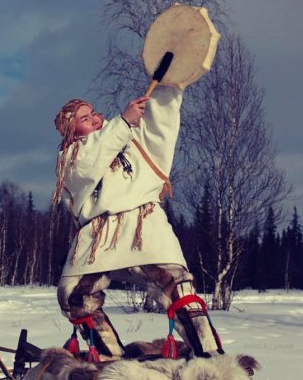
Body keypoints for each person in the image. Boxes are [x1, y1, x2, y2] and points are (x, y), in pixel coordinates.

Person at [52, 85, 222, 359]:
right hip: (99, 234)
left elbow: (160, 128)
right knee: (73, 295)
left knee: (177, 288)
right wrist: (122, 123)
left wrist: (169, 86)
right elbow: (87, 166)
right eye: (85, 119)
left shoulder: (129, 135)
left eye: (93, 113)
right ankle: (111, 357)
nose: (95, 118)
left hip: (144, 224)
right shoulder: (70, 157)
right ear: (71, 132)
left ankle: (210, 355)